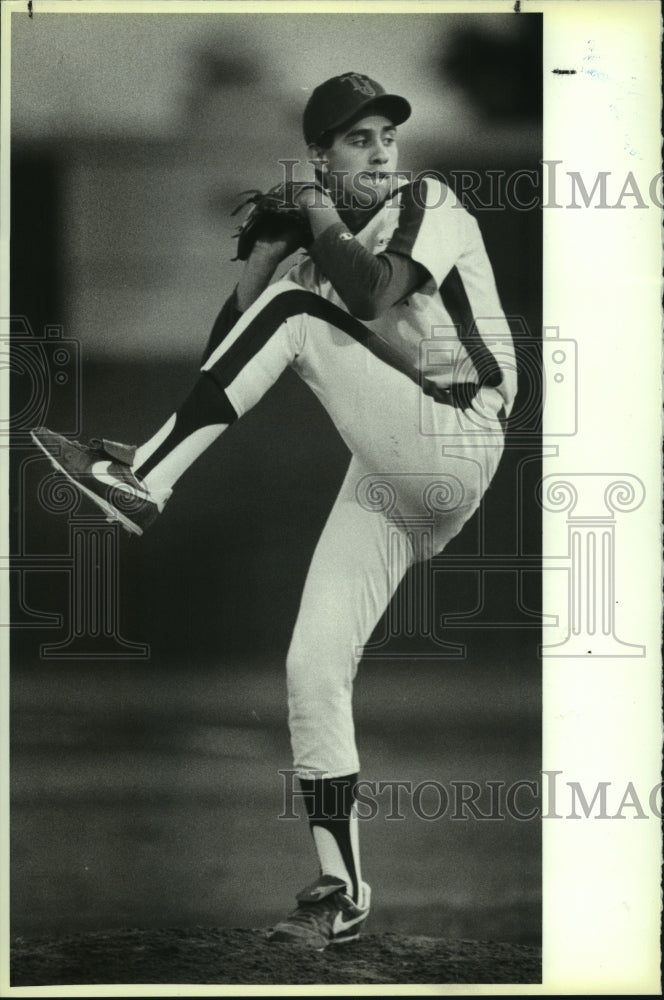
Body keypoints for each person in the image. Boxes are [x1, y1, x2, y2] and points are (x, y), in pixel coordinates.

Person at [32, 71, 516, 950]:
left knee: (298, 308)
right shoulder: (311, 258)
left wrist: (314, 222)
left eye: (386, 136)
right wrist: (260, 261)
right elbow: (237, 347)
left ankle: (144, 477)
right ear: (324, 155)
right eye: (358, 140)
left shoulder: (429, 200)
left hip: (460, 437)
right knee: (312, 666)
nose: (381, 153)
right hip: (389, 468)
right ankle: (343, 888)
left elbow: (370, 292)